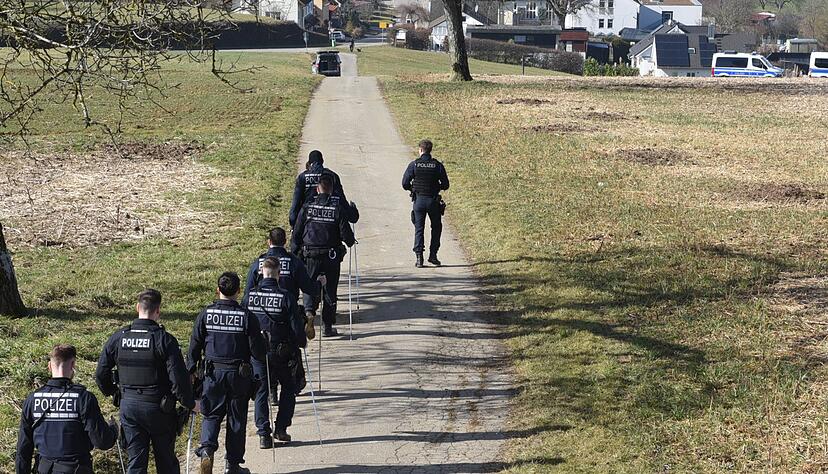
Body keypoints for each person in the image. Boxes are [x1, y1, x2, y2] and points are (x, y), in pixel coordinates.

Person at [95, 289, 194, 474]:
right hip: (160, 410)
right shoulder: (164, 340)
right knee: (166, 462)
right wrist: (189, 403)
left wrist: (114, 393)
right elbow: (178, 379)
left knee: (136, 463)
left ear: (137, 308)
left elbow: (100, 374)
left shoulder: (119, 338)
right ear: (158, 311)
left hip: (129, 407)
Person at [187, 272, 267, 474]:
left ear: (218, 289)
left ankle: (206, 449)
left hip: (212, 374)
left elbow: (194, 346)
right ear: (239, 291)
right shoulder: (246, 316)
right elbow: (258, 351)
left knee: (211, 414)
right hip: (238, 376)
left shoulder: (206, 314)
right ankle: (232, 465)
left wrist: (190, 371)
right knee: (236, 419)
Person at [16, 344, 117, 474]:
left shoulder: (32, 399)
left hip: (44, 469)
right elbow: (103, 442)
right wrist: (114, 429)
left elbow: (23, 448)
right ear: (73, 364)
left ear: (49, 366)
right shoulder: (83, 398)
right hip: (76, 469)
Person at [246, 257, 309, 447]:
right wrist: (301, 342)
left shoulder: (250, 296)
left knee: (261, 391)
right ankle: (281, 428)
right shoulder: (286, 297)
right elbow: (296, 326)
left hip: (257, 352)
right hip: (282, 351)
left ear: (261, 273)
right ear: (279, 275)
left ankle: (264, 434)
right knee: (289, 388)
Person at [291, 174, 356, 337]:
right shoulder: (337, 209)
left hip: (310, 255)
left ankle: (309, 312)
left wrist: (295, 253)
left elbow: (297, 232)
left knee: (308, 284)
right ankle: (327, 327)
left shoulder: (307, 207)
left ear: (317, 189)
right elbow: (346, 236)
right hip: (331, 256)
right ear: (332, 190)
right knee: (330, 290)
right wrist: (349, 241)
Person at [242, 227, 320, 339]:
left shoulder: (258, 263)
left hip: (260, 315)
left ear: (269, 242)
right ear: (285, 241)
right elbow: (308, 288)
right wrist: (319, 284)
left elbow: (248, 292)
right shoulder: (294, 262)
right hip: (287, 311)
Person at [402, 139, 449, 268]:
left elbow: (404, 183)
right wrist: (436, 187)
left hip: (419, 201)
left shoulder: (415, 165)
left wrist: (413, 189)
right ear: (430, 150)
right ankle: (433, 255)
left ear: (421, 150)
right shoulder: (438, 165)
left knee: (419, 229)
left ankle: (419, 258)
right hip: (433, 201)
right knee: (436, 228)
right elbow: (446, 184)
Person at [289, 150, 359, 228]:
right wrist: (352, 214)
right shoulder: (332, 176)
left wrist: (294, 223)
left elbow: (295, 204)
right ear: (322, 161)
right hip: (330, 222)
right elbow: (341, 200)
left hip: (308, 223)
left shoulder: (302, 177)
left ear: (309, 163)